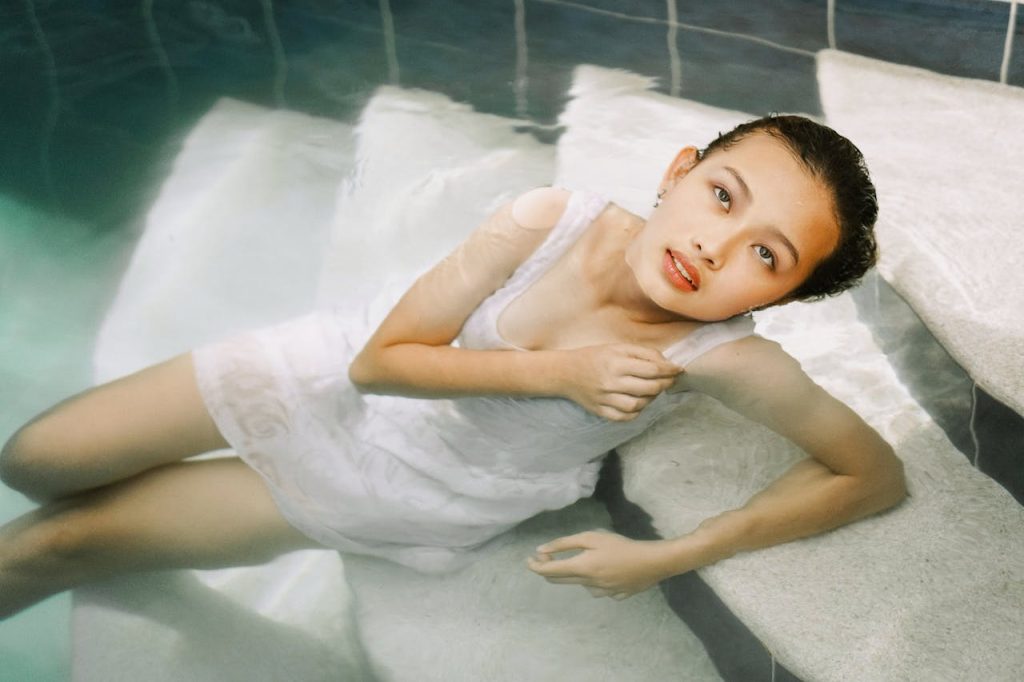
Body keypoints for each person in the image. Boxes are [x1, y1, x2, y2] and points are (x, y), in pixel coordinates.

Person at [0, 114, 906, 617]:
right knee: (34, 459)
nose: (714, 246)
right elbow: (376, 364)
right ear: (677, 171)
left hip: (417, 480)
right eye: (721, 195)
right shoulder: (546, 219)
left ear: (774, 300)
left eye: (766, 255)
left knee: (55, 543)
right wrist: (561, 375)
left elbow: (873, 476)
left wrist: (669, 555)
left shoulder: (727, 358)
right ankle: (145, 553)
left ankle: (125, 553)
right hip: (330, 371)